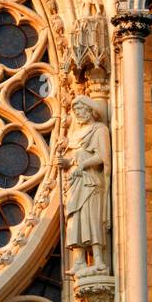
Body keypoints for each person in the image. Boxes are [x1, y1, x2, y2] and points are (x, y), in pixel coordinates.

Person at [60, 96, 111, 273]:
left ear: (91, 111)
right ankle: (79, 260)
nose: (77, 113)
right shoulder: (74, 135)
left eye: (80, 109)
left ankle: (98, 260)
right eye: (75, 111)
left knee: (92, 220)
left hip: (91, 181)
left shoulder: (99, 129)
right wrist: (64, 162)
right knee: (75, 218)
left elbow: (102, 157)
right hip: (74, 182)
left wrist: (82, 164)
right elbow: (72, 158)